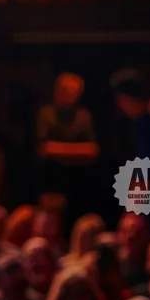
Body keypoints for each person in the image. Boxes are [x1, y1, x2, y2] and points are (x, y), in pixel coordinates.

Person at [36, 73, 99, 225]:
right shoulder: (46, 113)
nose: (72, 95)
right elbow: (45, 149)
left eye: (75, 91)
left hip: (78, 185)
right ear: (57, 91)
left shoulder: (83, 116)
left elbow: (92, 151)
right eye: (68, 91)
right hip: (51, 182)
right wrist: (77, 152)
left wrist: (60, 150)